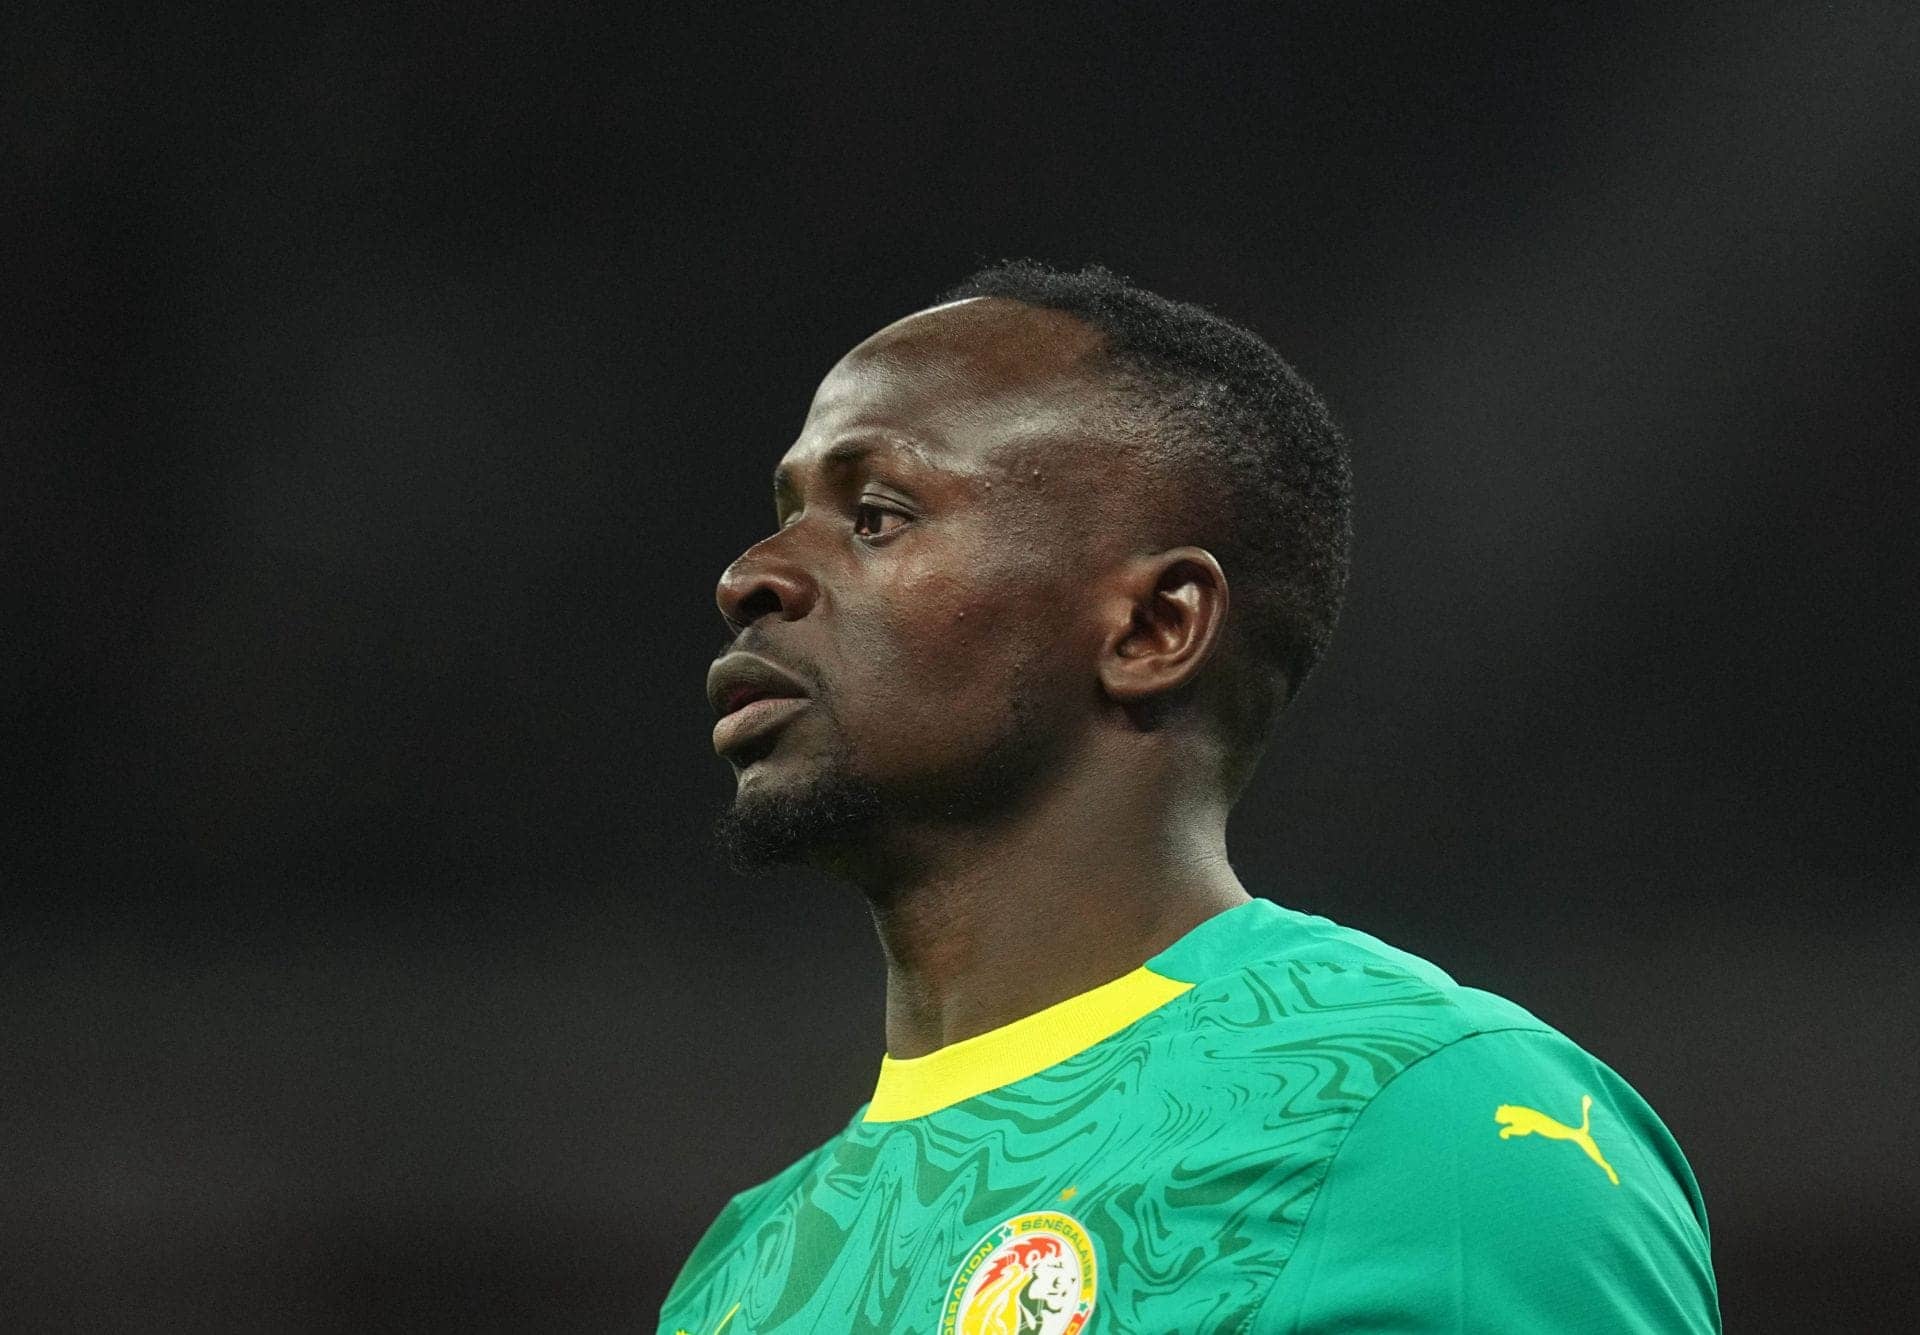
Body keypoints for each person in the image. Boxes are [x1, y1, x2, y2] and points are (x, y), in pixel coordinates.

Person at [663, 262, 1720, 1333]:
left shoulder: (1432, 1125)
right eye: (786, 513)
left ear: (1153, 628)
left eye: (877, 516)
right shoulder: (741, 1276)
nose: (749, 576)